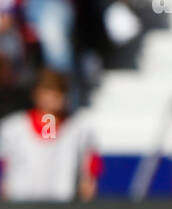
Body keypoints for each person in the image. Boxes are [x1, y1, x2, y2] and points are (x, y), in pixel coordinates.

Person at [0, 68, 99, 201]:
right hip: (21, 206)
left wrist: (88, 183)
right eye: (50, 90)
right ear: (37, 94)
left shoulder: (79, 130)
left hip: (62, 208)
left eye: (61, 91)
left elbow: (91, 169)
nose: (56, 96)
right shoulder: (12, 129)